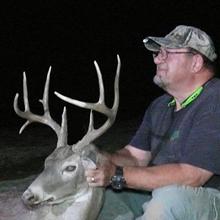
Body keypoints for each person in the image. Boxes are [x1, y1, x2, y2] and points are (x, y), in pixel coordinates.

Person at [86, 25, 220, 220]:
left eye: (168, 53)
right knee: (100, 197)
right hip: (162, 191)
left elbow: (192, 176)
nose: (157, 58)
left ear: (196, 63)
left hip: (209, 196)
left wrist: (117, 175)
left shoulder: (215, 100)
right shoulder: (160, 105)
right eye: (158, 53)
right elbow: (135, 156)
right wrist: (95, 157)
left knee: (168, 200)